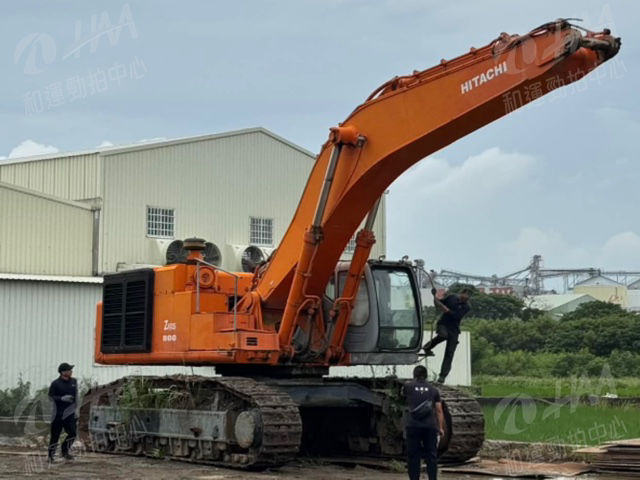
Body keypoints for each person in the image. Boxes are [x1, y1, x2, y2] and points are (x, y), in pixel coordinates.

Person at [403, 365, 445, 480]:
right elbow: (439, 410)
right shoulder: (433, 390)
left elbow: (404, 398)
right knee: (431, 455)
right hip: (430, 426)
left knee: (413, 455)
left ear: (414, 375)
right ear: (426, 376)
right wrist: (440, 427)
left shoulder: (408, 386)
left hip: (413, 425)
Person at [422, 288, 472, 383]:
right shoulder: (452, 297)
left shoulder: (467, 307)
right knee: (443, 336)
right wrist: (434, 296)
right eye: (464, 297)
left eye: (467, 298)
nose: (465, 299)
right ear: (461, 293)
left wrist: (446, 309)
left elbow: (456, 316)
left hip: (454, 329)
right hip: (443, 324)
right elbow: (438, 304)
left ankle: (442, 376)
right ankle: (427, 347)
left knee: (450, 352)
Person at [48, 363, 78, 463]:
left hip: (70, 413)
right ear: (63, 372)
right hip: (58, 414)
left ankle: (65, 451)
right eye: (69, 370)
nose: (71, 371)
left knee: (73, 433)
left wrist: (76, 409)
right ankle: (50, 456)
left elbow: (76, 396)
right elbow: (50, 397)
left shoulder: (74, 381)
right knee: (55, 435)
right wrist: (61, 398)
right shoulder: (55, 383)